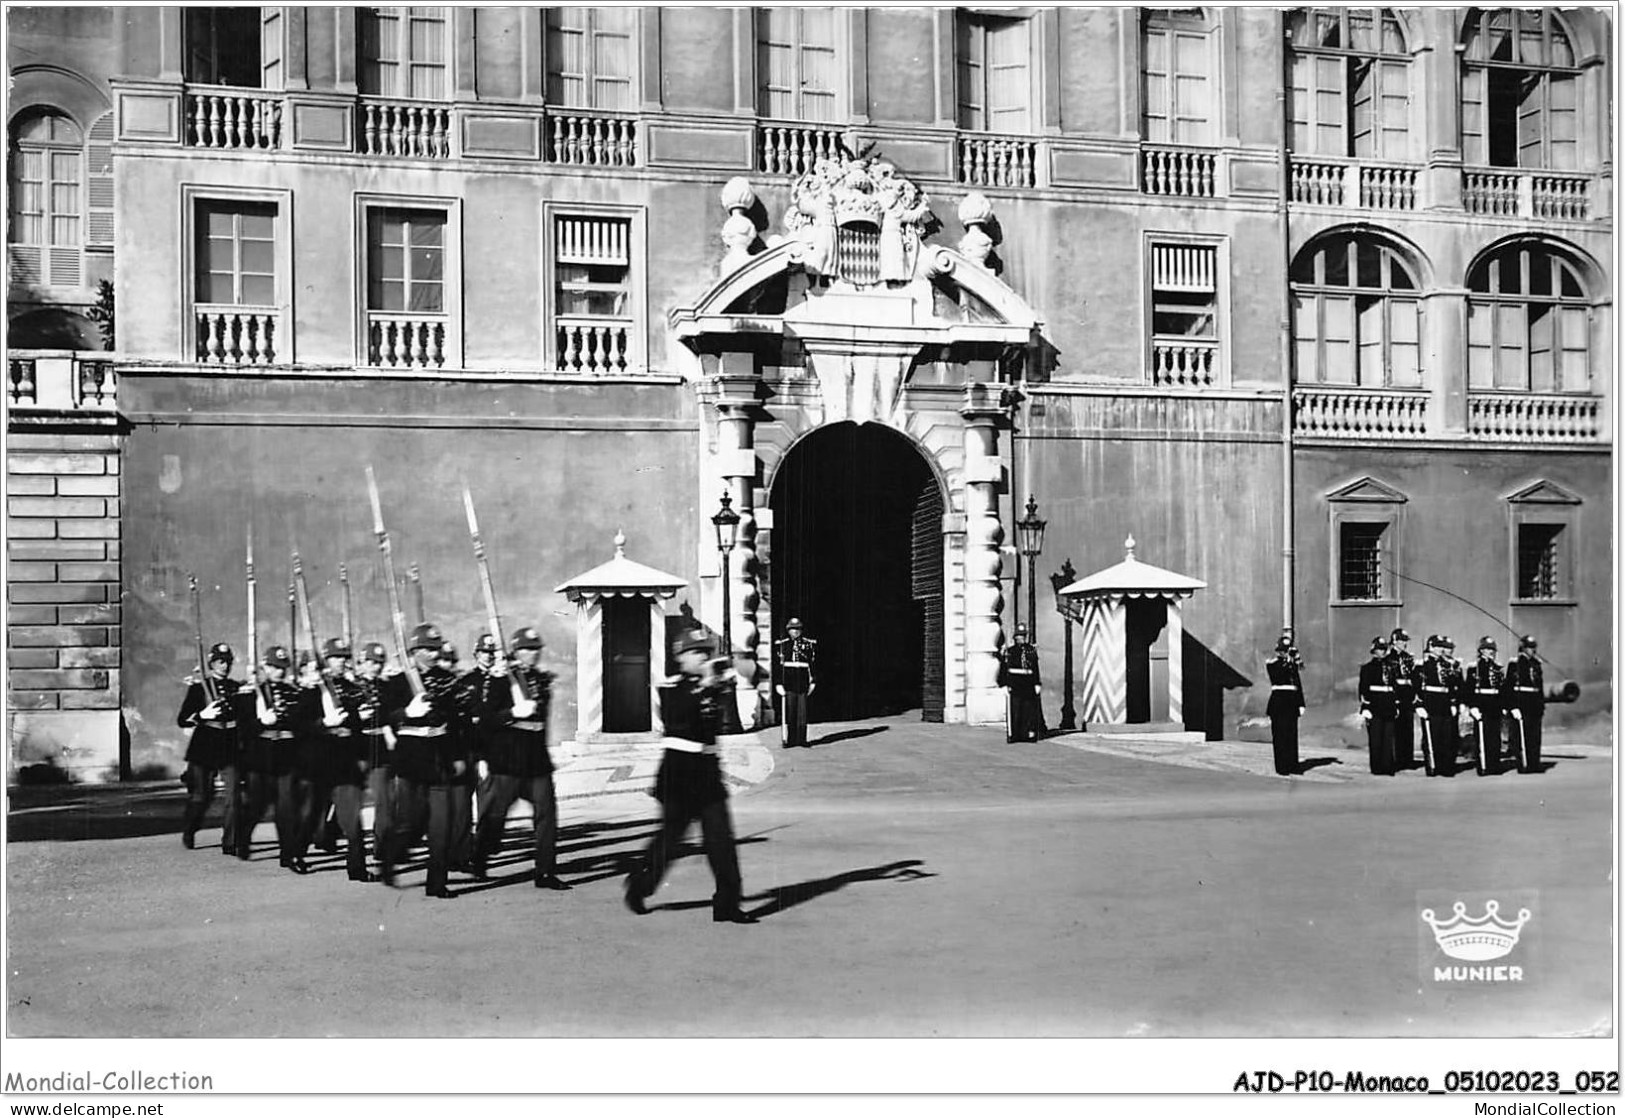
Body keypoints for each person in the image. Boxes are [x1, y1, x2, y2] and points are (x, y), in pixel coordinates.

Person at [624, 631, 755, 924]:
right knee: (670, 841)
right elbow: (678, 719)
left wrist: (718, 684)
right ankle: (639, 884)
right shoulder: (671, 688)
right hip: (679, 773)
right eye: (696, 652)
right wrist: (706, 687)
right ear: (680, 656)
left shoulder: (711, 685)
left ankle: (727, 904)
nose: (703, 657)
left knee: (721, 841)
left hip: (707, 773)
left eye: (705, 652)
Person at [471, 627, 568, 890]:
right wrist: (513, 712)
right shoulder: (501, 680)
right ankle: (479, 858)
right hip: (508, 761)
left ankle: (545, 872)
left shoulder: (540, 680)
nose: (533, 654)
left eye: (536, 649)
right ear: (516, 651)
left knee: (547, 815)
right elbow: (486, 720)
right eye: (528, 649)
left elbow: (542, 723)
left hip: (536, 761)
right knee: (495, 817)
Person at [380, 623, 468, 899]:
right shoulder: (397, 681)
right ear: (413, 651)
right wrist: (407, 712)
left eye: (435, 649)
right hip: (411, 760)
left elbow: (455, 722)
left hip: (439, 758)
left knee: (441, 825)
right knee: (410, 823)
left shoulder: (448, 680)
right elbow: (384, 715)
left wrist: (456, 757)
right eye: (426, 650)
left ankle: (437, 883)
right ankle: (389, 858)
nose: (432, 654)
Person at [313, 638, 373, 882]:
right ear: (326, 660)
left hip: (346, 758)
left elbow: (359, 720)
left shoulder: (352, 687)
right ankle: (315, 840)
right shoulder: (314, 689)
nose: (342, 662)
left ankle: (356, 867)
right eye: (336, 657)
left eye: (344, 657)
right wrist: (324, 723)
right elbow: (303, 725)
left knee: (352, 815)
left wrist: (360, 716)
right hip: (320, 757)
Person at [177, 642, 244, 852]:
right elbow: (182, 720)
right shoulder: (199, 688)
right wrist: (201, 715)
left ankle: (230, 841)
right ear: (211, 663)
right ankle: (190, 829)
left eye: (227, 662)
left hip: (229, 744)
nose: (224, 666)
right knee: (201, 797)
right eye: (219, 661)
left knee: (233, 795)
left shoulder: (236, 688)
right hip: (204, 744)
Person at [240, 645, 304, 862]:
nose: (280, 671)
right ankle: (243, 838)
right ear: (265, 667)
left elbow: (300, 726)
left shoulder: (293, 692)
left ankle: (288, 853)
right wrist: (261, 722)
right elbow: (244, 729)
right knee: (257, 804)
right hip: (261, 756)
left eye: (283, 667)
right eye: (275, 667)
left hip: (287, 753)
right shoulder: (251, 693)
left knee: (286, 804)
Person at [354, 642, 396, 878]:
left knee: (385, 800)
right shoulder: (352, 686)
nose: (375, 667)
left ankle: (381, 848)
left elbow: (390, 713)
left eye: (379, 662)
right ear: (363, 663)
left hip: (380, 747)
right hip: (359, 747)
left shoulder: (386, 687)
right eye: (371, 662)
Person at [1413, 635, 1458, 778]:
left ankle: (1445, 767)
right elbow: (1416, 686)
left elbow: (1451, 685)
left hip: (1444, 704)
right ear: (1430, 647)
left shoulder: (1446, 664)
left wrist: (1452, 702)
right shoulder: (1422, 665)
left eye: (1441, 646)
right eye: (1437, 646)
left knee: (1446, 737)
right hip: (1430, 704)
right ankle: (1432, 767)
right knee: (1432, 737)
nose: (1440, 649)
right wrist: (1418, 705)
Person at [1461, 636, 1506, 776]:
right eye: (1487, 649)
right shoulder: (1474, 668)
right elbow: (1469, 690)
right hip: (1481, 707)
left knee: (1495, 738)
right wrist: (1472, 707)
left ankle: (1495, 765)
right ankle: (1483, 766)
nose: (1490, 652)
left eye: (1492, 649)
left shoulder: (1498, 668)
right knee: (1482, 738)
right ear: (1481, 651)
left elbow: (1502, 690)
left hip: (1495, 706)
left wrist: (1504, 706)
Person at [773, 617, 817, 748]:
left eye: (797, 629)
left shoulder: (808, 645)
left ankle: (801, 739)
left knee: (802, 714)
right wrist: (778, 683)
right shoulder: (782, 645)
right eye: (792, 629)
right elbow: (778, 667)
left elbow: (812, 664)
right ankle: (791, 739)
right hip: (789, 682)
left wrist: (813, 680)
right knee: (790, 712)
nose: (795, 632)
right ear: (788, 630)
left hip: (802, 682)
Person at [1264, 636, 1304, 776]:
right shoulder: (1273, 664)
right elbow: (1278, 675)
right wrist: (1288, 661)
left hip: (1291, 703)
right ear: (1279, 651)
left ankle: (1293, 765)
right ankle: (1282, 767)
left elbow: (1297, 683)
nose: (1287, 653)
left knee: (1291, 735)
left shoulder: (1292, 664)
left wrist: (1301, 703)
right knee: (1280, 736)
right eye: (1284, 650)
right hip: (1279, 703)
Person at [1506, 634, 1545, 774]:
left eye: (1533, 647)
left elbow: (1539, 687)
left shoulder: (1536, 664)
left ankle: (1534, 763)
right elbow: (1509, 687)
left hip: (1534, 704)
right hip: (1521, 703)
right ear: (1522, 648)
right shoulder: (1515, 663)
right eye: (1529, 647)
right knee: (1521, 736)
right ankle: (1523, 764)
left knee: (1535, 736)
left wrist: (1541, 706)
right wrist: (1512, 707)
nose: (1532, 650)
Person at [1358, 635, 1397, 776]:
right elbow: (1363, 689)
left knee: (1388, 738)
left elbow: (1394, 688)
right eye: (1379, 649)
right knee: (1376, 739)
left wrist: (1396, 705)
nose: (1382, 652)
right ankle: (1377, 767)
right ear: (1373, 651)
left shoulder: (1392, 667)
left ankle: (1388, 766)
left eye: (1384, 649)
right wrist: (1366, 708)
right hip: (1375, 706)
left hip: (1388, 705)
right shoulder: (1367, 668)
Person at [998, 622, 1043, 743]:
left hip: (1028, 683)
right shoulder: (1010, 652)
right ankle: (1015, 735)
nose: (1021, 638)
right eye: (1019, 635)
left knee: (1028, 710)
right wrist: (1004, 684)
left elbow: (1035, 667)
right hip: (1015, 684)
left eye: (1023, 635)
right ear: (1015, 637)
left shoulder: (1030, 650)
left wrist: (1037, 683)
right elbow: (1004, 669)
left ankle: (1028, 734)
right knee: (1016, 710)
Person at [1388, 628, 1417, 771]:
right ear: (1394, 642)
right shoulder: (1389, 658)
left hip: (1408, 696)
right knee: (1396, 730)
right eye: (1401, 641)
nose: (1404, 644)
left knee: (1408, 729)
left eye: (1405, 641)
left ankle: (1407, 759)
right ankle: (1397, 759)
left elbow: (1413, 677)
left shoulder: (1408, 658)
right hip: (1396, 695)